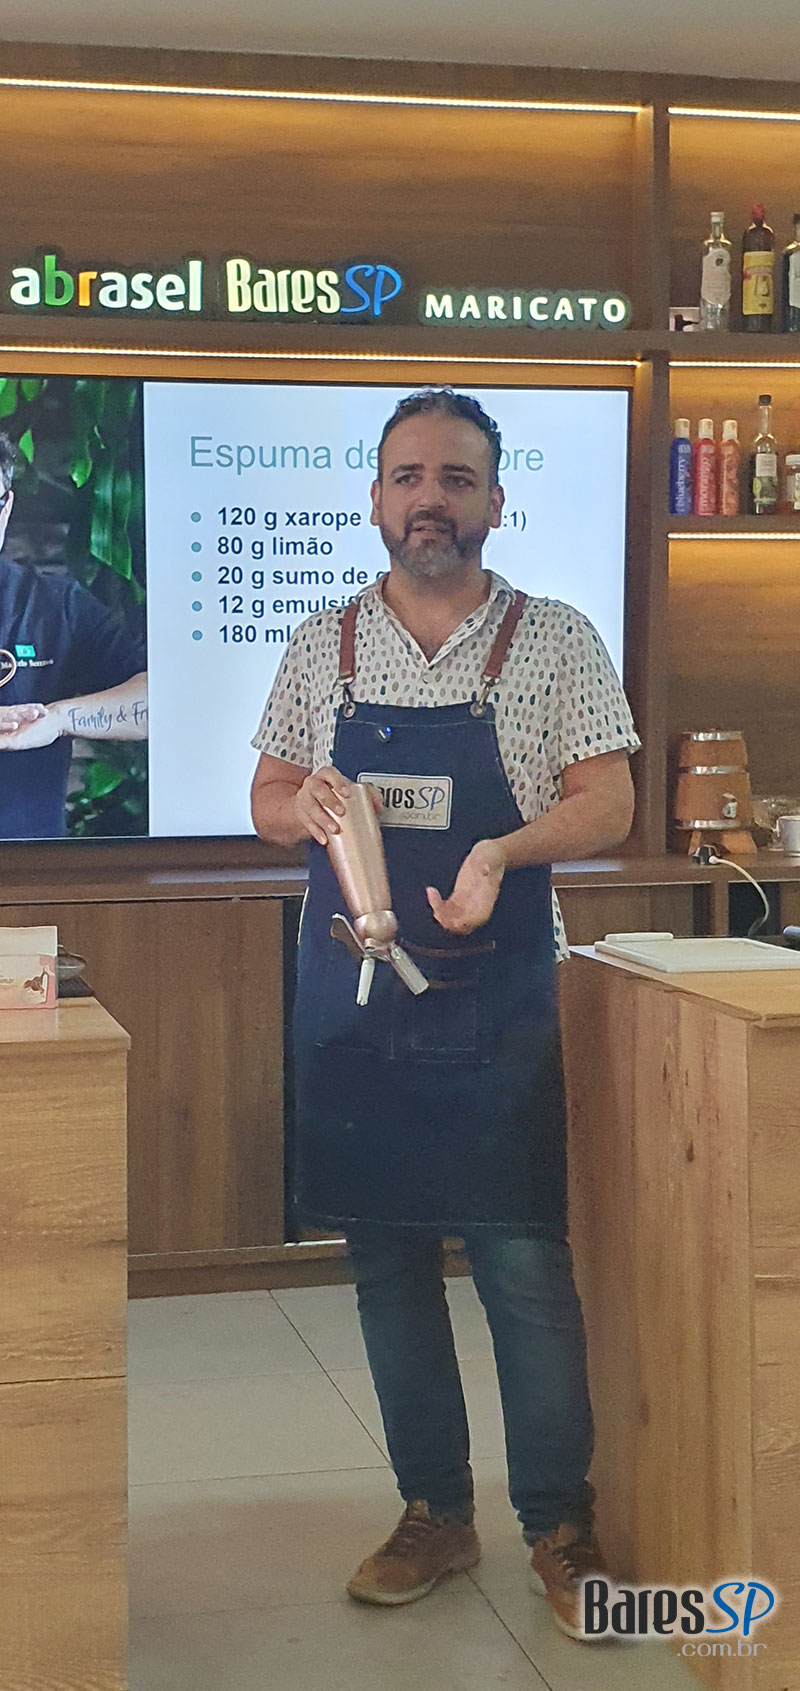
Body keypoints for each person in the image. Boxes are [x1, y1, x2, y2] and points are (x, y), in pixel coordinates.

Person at [250, 388, 640, 1641]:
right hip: (354, 1000)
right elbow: (266, 794)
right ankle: (433, 1509)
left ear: (493, 503)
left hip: (498, 995)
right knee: (385, 1262)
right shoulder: (323, 644)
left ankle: (559, 1524)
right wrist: (306, 802)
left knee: (522, 1262)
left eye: (456, 479)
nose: (430, 499)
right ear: (375, 499)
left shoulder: (553, 638)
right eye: (409, 477)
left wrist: (497, 851)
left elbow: (608, 800)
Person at [0, 431, 148, 838]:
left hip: (34, 862)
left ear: (6, 506)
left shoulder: (54, 604)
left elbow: (161, 702)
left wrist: (58, 719)